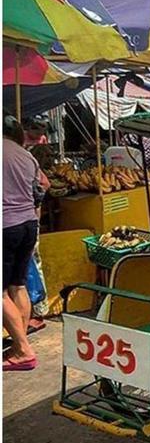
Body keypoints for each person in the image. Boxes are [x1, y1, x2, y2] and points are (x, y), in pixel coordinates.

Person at [3, 116, 50, 371]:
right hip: (28, 225)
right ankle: (17, 343)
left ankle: (23, 349)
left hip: (5, 225)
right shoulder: (26, 156)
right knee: (17, 285)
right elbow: (41, 187)